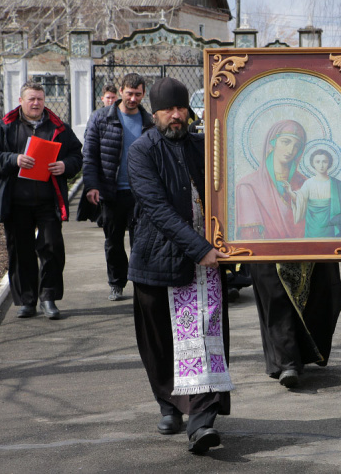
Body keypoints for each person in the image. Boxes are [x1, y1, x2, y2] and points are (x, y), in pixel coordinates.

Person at [127, 77, 232, 455]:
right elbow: (156, 209)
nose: (176, 116)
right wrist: (197, 247)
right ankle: (168, 403)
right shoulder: (141, 151)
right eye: (168, 110)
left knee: (204, 338)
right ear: (153, 113)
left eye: (181, 109)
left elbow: (229, 191)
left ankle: (202, 421)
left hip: (205, 265)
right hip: (156, 259)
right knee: (159, 341)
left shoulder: (203, 146)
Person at [235, 120, 341, 389]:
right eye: (285, 141)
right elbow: (248, 232)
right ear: (271, 143)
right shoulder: (249, 185)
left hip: (306, 249)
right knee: (278, 297)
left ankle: (304, 353)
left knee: (328, 289)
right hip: (268, 252)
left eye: (297, 145)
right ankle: (287, 364)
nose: (291, 149)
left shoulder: (305, 181)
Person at [0, 81, 82, 320]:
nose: (36, 103)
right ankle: (27, 300)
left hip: (48, 200)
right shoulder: (3, 126)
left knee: (52, 248)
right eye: (31, 99)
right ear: (21, 101)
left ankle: (49, 298)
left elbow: (77, 155)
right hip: (16, 201)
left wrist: (65, 165)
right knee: (20, 251)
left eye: (40, 99)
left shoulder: (59, 128)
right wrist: (13, 159)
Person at [77, 73, 153, 301]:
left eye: (138, 94)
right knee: (113, 242)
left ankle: (141, 283)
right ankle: (117, 283)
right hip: (111, 192)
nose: (133, 98)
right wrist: (92, 185)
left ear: (143, 94)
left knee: (141, 241)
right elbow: (89, 156)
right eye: (129, 93)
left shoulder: (148, 121)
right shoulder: (101, 118)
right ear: (120, 92)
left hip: (140, 194)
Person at [289, 148, 341, 238]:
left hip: (330, 226)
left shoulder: (337, 184)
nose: (321, 165)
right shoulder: (308, 183)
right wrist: (289, 192)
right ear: (313, 164)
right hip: (312, 226)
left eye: (324, 161)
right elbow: (300, 199)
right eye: (318, 162)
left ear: (329, 163)